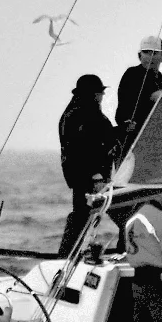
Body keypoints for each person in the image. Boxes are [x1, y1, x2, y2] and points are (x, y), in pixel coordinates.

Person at [58, 74, 119, 255]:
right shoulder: (80, 115)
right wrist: (96, 175)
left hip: (85, 176)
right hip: (89, 177)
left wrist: (122, 129)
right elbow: (83, 147)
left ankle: (68, 255)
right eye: (100, 93)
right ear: (92, 94)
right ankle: (66, 256)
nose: (102, 96)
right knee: (83, 215)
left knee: (83, 214)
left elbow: (100, 136)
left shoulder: (80, 112)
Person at [116, 35, 162, 150]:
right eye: (146, 52)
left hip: (159, 140)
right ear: (140, 55)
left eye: (155, 53)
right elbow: (125, 105)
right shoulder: (132, 74)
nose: (150, 57)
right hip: (132, 140)